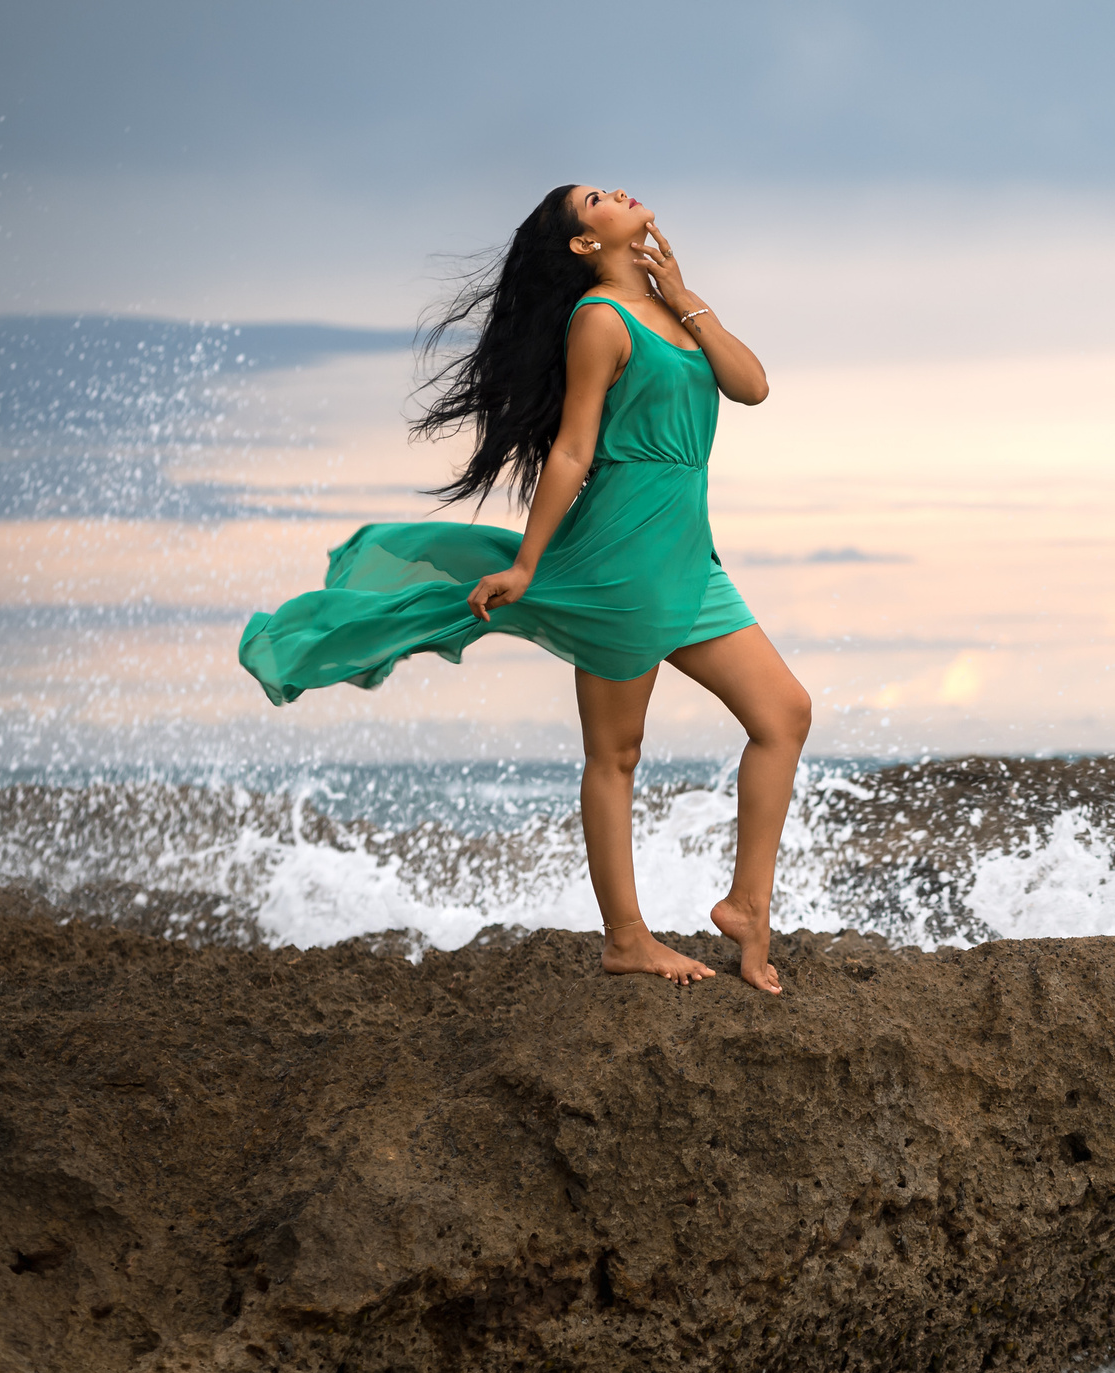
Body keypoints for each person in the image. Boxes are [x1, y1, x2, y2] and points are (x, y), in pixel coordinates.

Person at [237, 185, 811, 994]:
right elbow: (573, 451)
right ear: (583, 244)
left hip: (685, 551)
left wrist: (688, 302)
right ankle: (627, 937)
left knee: (784, 713)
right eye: (596, 199)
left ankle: (748, 909)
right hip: (626, 551)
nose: (618, 192)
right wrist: (528, 563)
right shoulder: (600, 321)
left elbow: (750, 385)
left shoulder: (666, 312)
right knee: (615, 754)